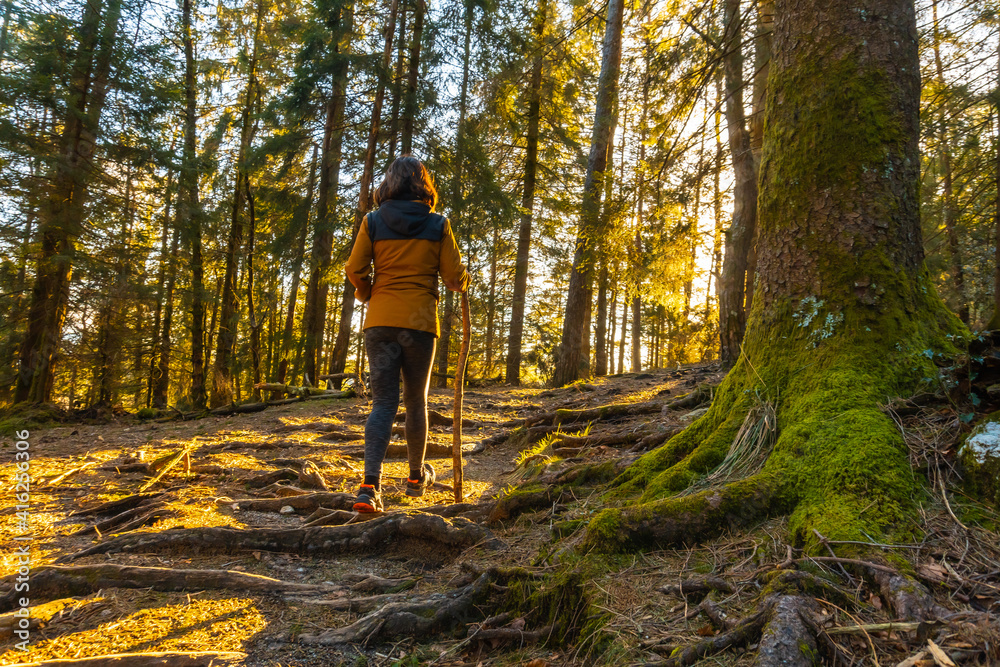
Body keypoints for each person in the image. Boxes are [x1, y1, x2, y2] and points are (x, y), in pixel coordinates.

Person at [345, 156, 469, 512]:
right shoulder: (438, 225)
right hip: (419, 324)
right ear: (422, 184)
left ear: (390, 183)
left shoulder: (373, 221)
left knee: (383, 402)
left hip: (381, 322)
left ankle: (369, 487)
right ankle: (415, 477)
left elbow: (355, 268)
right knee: (416, 400)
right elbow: (453, 278)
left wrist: (367, 291)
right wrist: (463, 279)